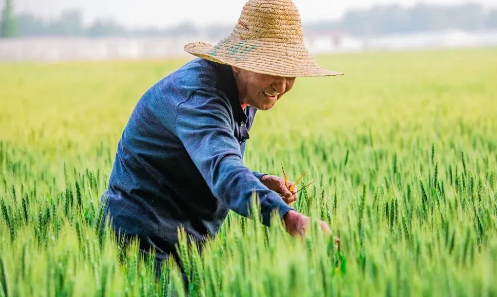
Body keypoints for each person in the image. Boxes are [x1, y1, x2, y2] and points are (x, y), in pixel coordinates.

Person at [101, 0, 342, 271]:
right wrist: (289, 218)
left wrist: (259, 180)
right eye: (271, 69)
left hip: (188, 243)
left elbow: (205, 160)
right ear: (238, 63)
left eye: (290, 74)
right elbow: (222, 169)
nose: (282, 85)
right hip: (143, 244)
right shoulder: (199, 98)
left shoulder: (248, 94)